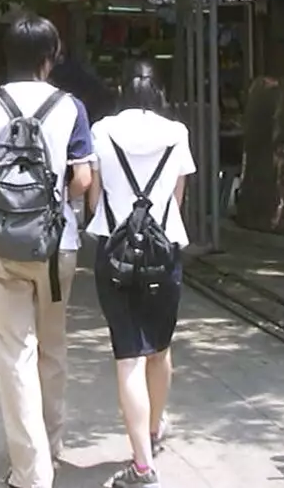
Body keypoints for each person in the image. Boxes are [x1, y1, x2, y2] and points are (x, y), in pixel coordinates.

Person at [0, 16, 95, 488]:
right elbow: (82, 179)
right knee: (52, 348)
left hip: (4, 244)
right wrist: (54, 203)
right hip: (59, 246)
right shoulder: (71, 107)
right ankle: (51, 447)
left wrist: (6, 197)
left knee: (14, 354)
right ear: (49, 57)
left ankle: (30, 472)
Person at [84, 60, 196, 488]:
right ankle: (152, 431)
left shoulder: (102, 131)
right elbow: (176, 198)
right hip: (164, 252)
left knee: (128, 356)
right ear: (158, 92)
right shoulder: (177, 133)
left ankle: (143, 466)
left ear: (122, 90)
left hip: (114, 253)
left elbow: (94, 202)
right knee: (160, 350)